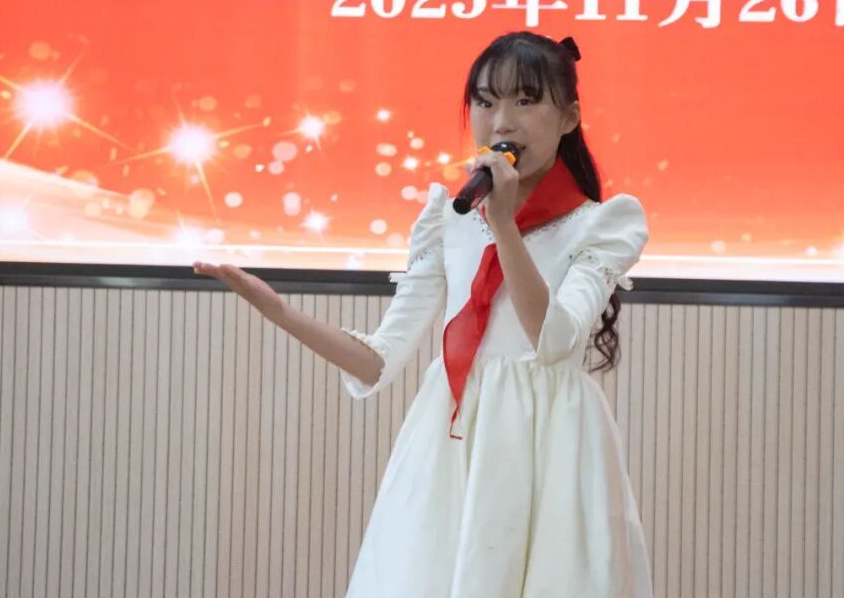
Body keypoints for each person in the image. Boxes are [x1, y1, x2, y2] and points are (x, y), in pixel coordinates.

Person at [195, 31, 653, 597]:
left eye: (525, 100)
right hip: (450, 441)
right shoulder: (449, 217)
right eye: (485, 102)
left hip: (551, 443)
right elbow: (378, 360)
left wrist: (503, 225)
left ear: (569, 118)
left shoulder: (605, 223)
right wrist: (280, 311)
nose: (502, 122)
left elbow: (553, 340)